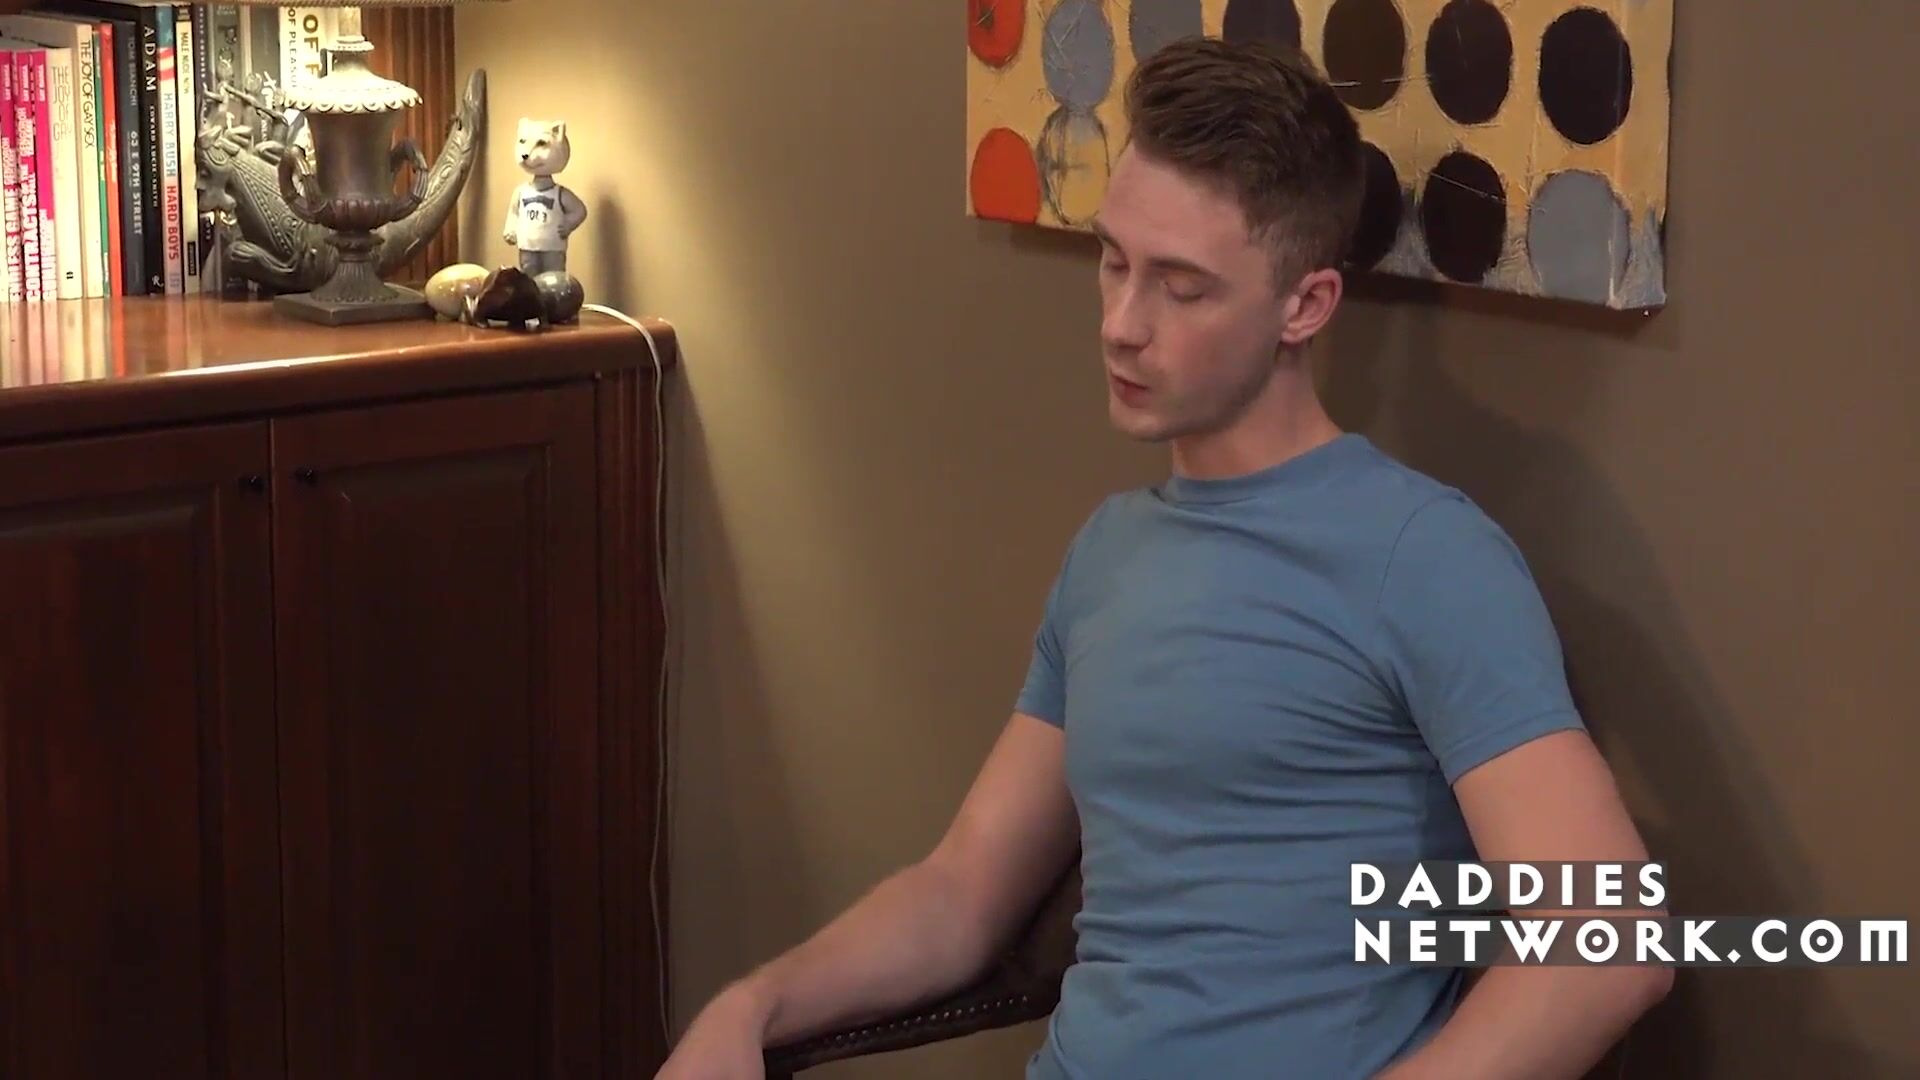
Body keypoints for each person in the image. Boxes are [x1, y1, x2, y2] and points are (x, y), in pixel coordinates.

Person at [657, 37, 1670, 1080]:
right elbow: (961, 893)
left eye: (1181, 288)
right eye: (1115, 263)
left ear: (1305, 305)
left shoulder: (1424, 557)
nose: (1122, 325)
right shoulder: (1111, 554)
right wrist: (751, 1007)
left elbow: (1608, 948)